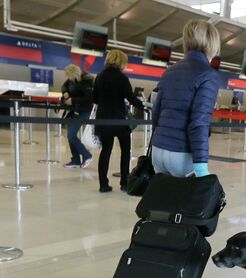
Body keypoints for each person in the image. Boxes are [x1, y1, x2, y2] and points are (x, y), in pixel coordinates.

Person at [151, 20, 220, 178]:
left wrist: (158, 140)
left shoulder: (170, 71)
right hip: (181, 154)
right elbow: (199, 122)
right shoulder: (208, 76)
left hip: (158, 150)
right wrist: (201, 167)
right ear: (212, 45)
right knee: (184, 202)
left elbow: (156, 112)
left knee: (164, 201)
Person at [92, 50, 145, 193]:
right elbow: (131, 98)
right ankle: (124, 183)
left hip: (104, 119)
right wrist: (144, 107)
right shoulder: (122, 78)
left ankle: (103, 184)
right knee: (125, 151)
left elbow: (95, 98)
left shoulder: (99, 77)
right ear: (121, 62)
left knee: (106, 151)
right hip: (120, 119)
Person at [61, 64, 94, 169]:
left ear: (73, 73)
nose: (68, 78)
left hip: (84, 111)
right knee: (70, 136)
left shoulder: (85, 82)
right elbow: (64, 86)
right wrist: (65, 92)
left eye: (69, 75)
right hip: (74, 111)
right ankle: (75, 160)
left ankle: (87, 156)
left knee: (71, 135)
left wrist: (73, 100)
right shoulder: (71, 80)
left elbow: (90, 98)